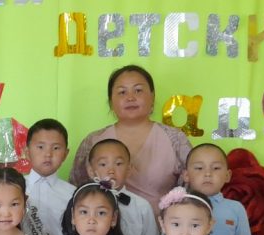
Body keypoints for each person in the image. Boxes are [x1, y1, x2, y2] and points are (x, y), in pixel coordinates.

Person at [70, 65, 192, 210]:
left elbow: (192, 189)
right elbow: (76, 191)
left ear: (152, 97)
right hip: (105, 223)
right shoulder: (93, 141)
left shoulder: (175, 139)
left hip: (163, 223)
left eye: (138, 90)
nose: (130, 98)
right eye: (122, 92)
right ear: (111, 101)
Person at [184, 143, 253, 235]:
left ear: (227, 175)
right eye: (199, 168)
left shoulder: (235, 209)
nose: (208, 174)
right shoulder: (177, 206)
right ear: (186, 175)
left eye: (215, 168)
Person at [86, 139, 160, 235]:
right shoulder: (82, 203)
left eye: (118, 164)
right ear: (91, 171)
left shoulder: (142, 206)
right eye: (103, 164)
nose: (111, 170)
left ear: (129, 169)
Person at [23, 119, 75, 235]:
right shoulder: (14, 187)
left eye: (56, 148)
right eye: (40, 147)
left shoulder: (73, 194)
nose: (48, 154)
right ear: (27, 152)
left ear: (65, 154)